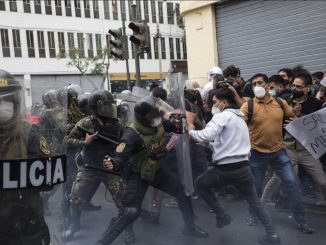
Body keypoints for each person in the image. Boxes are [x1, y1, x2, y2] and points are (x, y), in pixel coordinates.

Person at [96, 95, 208, 245]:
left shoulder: (157, 122)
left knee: (182, 192)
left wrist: (182, 120)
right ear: (144, 117)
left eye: (157, 114)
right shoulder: (131, 135)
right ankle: (103, 241)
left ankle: (190, 227)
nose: (158, 118)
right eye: (153, 115)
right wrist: (113, 164)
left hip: (156, 169)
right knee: (130, 211)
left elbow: (176, 126)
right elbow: (120, 158)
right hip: (138, 174)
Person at [188, 88, 280, 244]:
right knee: (255, 202)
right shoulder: (240, 118)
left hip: (225, 170)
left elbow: (204, 134)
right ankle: (272, 235)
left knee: (199, 184)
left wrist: (190, 128)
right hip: (243, 169)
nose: (213, 105)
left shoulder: (222, 116)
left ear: (224, 102)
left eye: (215, 102)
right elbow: (230, 144)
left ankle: (221, 215)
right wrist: (210, 146)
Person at [240, 73, 313, 233]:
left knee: (292, 184)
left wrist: (296, 115)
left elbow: (292, 117)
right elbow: (239, 124)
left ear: (268, 85)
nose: (257, 86)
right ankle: (253, 215)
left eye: (260, 83)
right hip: (257, 153)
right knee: (256, 187)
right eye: (254, 84)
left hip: (279, 152)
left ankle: (301, 221)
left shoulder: (280, 103)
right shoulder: (248, 106)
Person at [64, 90, 126, 240]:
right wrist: (84, 142)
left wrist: (117, 159)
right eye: (105, 106)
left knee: (122, 200)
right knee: (75, 198)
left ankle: (126, 227)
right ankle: (74, 224)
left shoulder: (117, 123)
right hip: (89, 166)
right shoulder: (86, 123)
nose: (109, 108)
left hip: (109, 167)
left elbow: (124, 144)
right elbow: (67, 140)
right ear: (95, 107)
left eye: (110, 105)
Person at [0, 69, 52, 245]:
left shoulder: (29, 132)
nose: (3, 106)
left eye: (7, 101)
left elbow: (47, 176)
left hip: (24, 218)